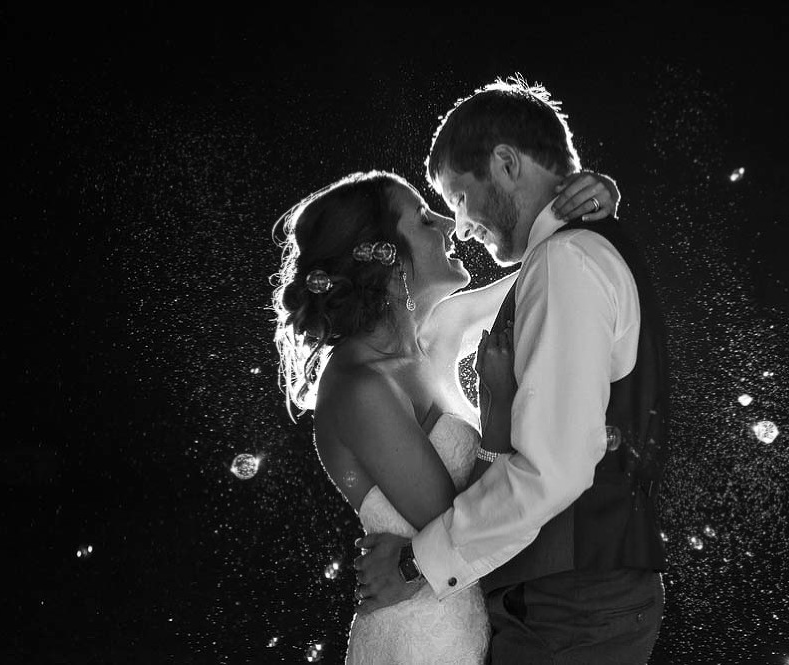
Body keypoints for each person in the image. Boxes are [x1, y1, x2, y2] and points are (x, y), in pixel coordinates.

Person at [354, 76, 671, 663]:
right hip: (569, 603)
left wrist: (415, 562)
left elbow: (553, 469)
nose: (462, 225)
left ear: (504, 162)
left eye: (459, 198)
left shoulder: (567, 263)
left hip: (570, 607)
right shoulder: (567, 256)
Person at [272, 167, 621, 663]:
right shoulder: (361, 387)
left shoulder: (436, 332)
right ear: (385, 255)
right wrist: (495, 411)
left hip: (467, 628)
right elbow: (456, 534)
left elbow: (554, 269)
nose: (448, 224)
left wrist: (596, 203)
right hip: (418, 643)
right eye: (422, 217)